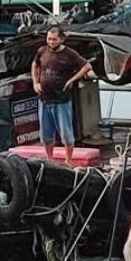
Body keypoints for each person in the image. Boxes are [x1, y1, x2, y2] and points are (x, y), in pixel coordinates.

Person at [31, 24, 92, 166]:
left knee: (66, 133)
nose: (51, 42)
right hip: (44, 99)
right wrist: (35, 82)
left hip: (62, 100)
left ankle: (68, 160)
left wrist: (72, 79)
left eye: (54, 39)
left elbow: (87, 66)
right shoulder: (41, 51)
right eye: (49, 39)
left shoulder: (70, 54)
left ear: (62, 39)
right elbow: (35, 65)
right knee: (46, 134)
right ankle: (50, 158)